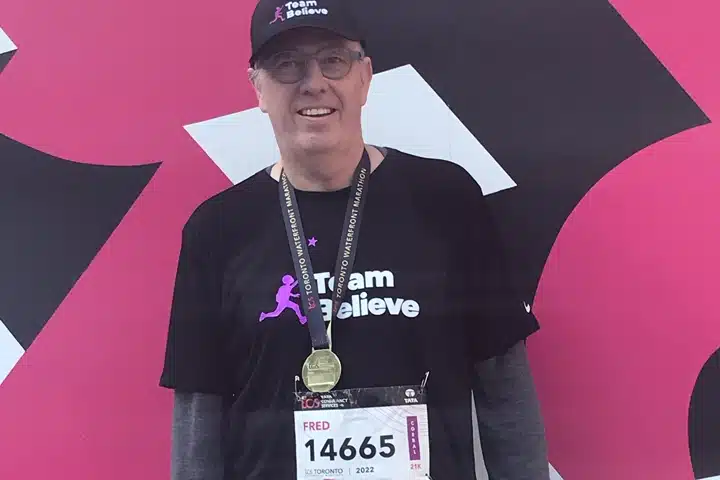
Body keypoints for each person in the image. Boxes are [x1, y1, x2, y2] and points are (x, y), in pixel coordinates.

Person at [159, 0, 549, 478]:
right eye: (287, 65)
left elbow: (504, 390)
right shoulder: (217, 229)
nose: (313, 81)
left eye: (333, 60)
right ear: (258, 87)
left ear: (365, 77)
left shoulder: (447, 200)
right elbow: (199, 420)